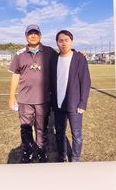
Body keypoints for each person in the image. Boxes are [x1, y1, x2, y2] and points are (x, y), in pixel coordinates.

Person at [8, 24, 56, 163]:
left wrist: (77, 54)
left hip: (43, 99)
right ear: (26, 36)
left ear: (40, 35)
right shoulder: (19, 54)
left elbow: (64, 58)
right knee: (26, 129)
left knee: (41, 128)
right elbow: (15, 76)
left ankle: (41, 152)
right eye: (30, 33)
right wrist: (11, 96)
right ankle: (27, 152)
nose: (33, 35)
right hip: (25, 100)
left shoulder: (50, 52)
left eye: (36, 33)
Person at [50, 29, 92, 162]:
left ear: (71, 42)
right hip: (58, 104)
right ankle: (62, 156)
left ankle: (75, 158)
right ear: (57, 43)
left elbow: (85, 81)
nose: (63, 43)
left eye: (66, 40)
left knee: (76, 134)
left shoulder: (79, 58)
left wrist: (83, 103)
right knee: (59, 133)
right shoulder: (54, 59)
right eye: (60, 41)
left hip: (74, 104)